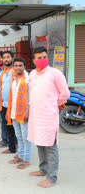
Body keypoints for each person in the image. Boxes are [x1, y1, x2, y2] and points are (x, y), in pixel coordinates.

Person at [28, 47, 69, 188]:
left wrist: (53, 104)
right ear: (33, 60)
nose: (42, 60)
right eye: (38, 58)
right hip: (35, 115)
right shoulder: (32, 74)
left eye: (44, 57)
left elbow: (65, 94)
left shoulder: (55, 73)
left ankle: (51, 177)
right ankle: (43, 169)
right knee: (39, 142)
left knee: (50, 145)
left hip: (48, 116)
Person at [6, 57, 32, 169]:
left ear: (24, 67)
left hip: (23, 113)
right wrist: (9, 112)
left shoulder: (27, 79)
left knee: (26, 137)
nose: (18, 68)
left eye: (20, 66)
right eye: (16, 66)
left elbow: (30, 98)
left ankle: (26, 159)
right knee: (19, 136)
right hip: (14, 112)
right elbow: (12, 97)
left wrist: (27, 111)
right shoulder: (14, 79)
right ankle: (21, 156)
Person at [0, 51, 17, 154]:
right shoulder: (2, 73)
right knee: (7, 126)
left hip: (15, 104)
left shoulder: (17, 71)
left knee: (15, 127)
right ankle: (11, 147)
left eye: (8, 57)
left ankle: (16, 147)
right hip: (3, 104)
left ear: (12, 58)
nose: (6, 59)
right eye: (4, 58)